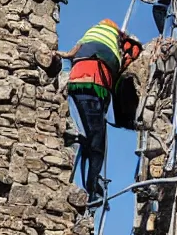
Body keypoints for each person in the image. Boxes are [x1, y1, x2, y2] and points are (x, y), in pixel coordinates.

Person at [57, 19, 143, 203]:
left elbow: (71, 54)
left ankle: (81, 158)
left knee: (88, 133)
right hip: (93, 84)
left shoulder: (91, 36)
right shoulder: (117, 44)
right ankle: (92, 188)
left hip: (77, 83)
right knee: (97, 143)